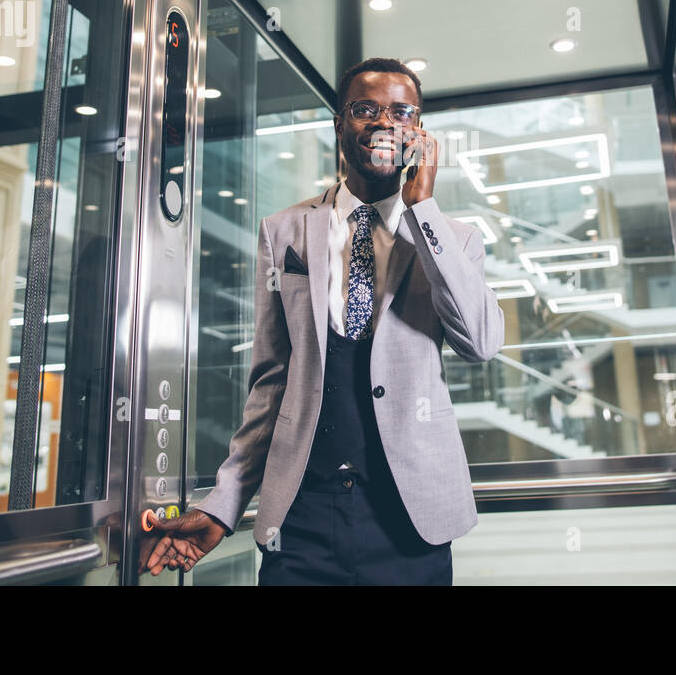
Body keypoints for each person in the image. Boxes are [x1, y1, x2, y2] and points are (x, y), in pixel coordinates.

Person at [143, 57, 504, 584]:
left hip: (411, 525)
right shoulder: (283, 230)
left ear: (419, 133)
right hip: (302, 522)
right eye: (366, 109)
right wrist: (224, 504)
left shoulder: (455, 238)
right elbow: (270, 382)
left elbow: (481, 341)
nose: (385, 123)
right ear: (340, 124)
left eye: (403, 113)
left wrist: (421, 208)